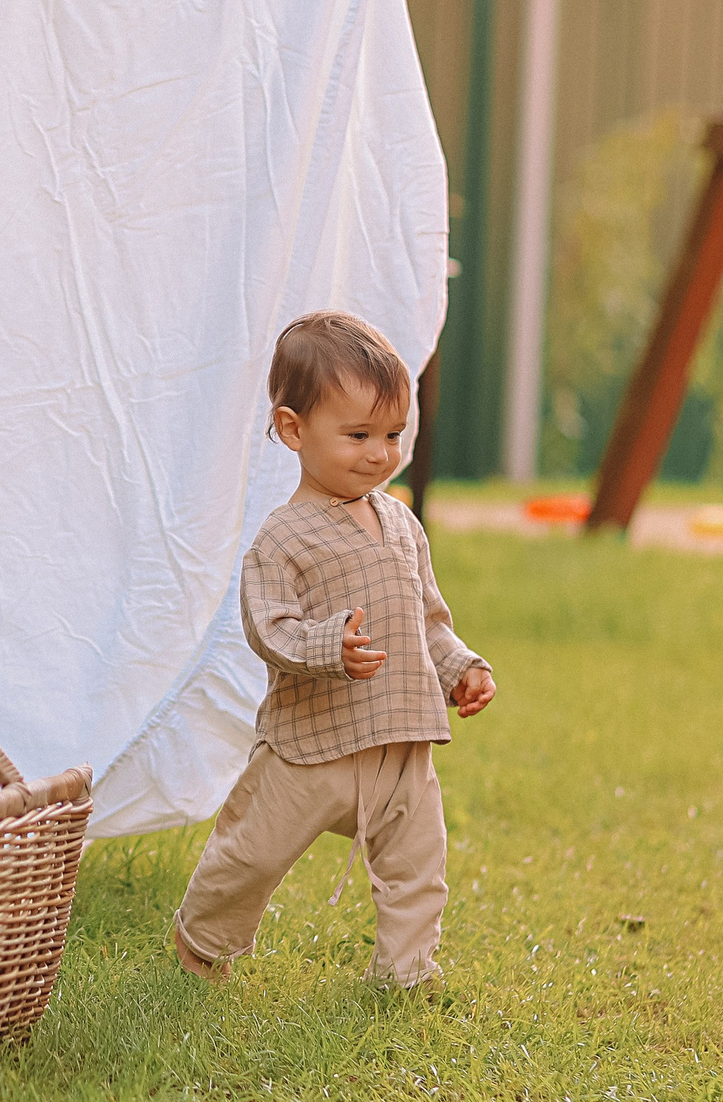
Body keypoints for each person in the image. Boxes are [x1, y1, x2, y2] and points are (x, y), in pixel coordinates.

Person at [172, 310, 495, 989]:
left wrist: (460, 667)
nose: (380, 453)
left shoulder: (402, 524)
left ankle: (405, 971)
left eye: (392, 434)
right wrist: (328, 644)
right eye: (358, 435)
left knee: (416, 864)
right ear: (294, 430)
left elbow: (427, 619)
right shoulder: (283, 539)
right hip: (311, 746)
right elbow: (270, 627)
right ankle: (203, 938)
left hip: (400, 738)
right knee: (253, 851)